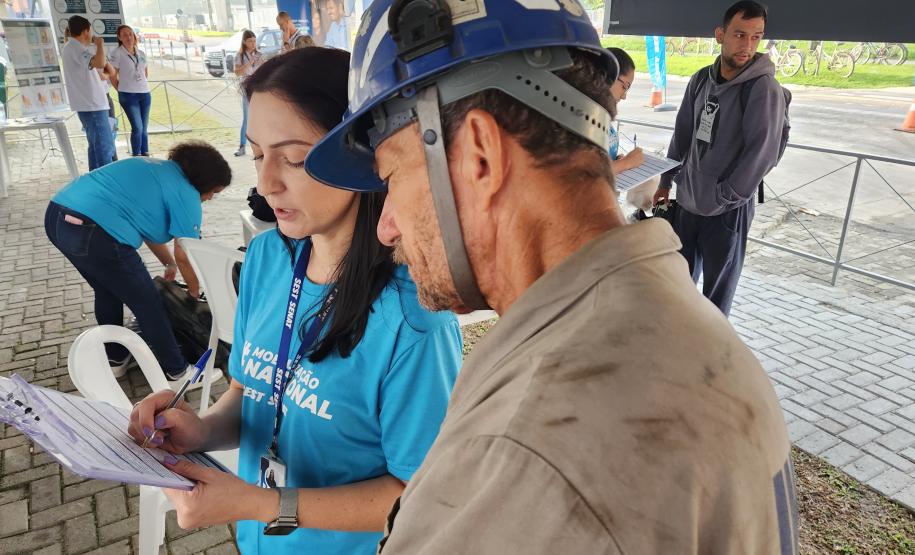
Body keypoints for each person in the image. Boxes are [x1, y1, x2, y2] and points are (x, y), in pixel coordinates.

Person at [305, 1, 797, 552]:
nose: (386, 227)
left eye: (392, 177)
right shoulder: (681, 324)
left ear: (479, 157)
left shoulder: (532, 444)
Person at [128, 47, 462, 554]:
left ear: (363, 154)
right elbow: (251, 393)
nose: (266, 184)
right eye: (259, 155)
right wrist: (199, 431)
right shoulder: (266, 257)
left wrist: (261, 505)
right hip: (256, 539)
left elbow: (417, 493)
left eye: (296, 158)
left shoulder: (414, 317)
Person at [45, 141, 231, 384]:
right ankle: (177, 372)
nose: (210, 198)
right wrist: (194, 291)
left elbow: (146, 229)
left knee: (106, 291)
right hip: (95, 232)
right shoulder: (186, 193)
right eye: (213, 193)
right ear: (203, 182)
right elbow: (187, 254)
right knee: (148, 303)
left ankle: (115, 359)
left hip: (58, 217)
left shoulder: (155, 168)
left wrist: (168, 264)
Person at [653, 0, 787, 316]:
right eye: (740, 35)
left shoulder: (762, 88)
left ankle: (709, 361)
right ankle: (678, 347)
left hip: (727, 214)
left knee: (716, 298)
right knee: (678, 287)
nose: (748, 45)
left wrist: (725, 197)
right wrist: (666, 181)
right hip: (687, 204)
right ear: (720, 34)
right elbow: (682, 133)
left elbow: (762, 153)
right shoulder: (701, 79)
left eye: (756, 37)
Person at [62, 15, 115, 170]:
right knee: (104, 147)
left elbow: (104, 70)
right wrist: (99, 45)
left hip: (90, 105)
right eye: (90, 30)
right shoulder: (75, 48)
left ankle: (96, 182)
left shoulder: (72, 48)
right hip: (92, 106)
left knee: (95, 147)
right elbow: (99, 62)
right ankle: (107, 184)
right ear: (86, 30)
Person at [109, 25, 152, 157]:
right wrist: (121, 89)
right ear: (119, 37)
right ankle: (136, 156)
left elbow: (145, 73)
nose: (128, 37)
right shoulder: (117, 53)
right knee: (137, 127)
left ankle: (145, 154)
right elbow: (112, 75)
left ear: (134, 36)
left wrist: (140, 85)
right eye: (125, 35)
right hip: (128, 95)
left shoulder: (141, 53)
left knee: (144, 128)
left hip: (145, 94)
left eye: (130, 34)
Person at [606, 47, 644, 176]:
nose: (624, 96)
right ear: (607, 76)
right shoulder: (581, 118)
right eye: (624, 87)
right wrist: (626, 163)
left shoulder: (600, 117)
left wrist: (616, 163)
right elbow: (583, 174)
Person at [233, 30, 263, 157]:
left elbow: (263, 69)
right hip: (246, 89)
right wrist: (249, 63)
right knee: (247, 118)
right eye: (250, 41)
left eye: (254, 41)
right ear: (245, 42)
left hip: (259, 88)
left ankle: (261, 146)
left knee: (261, 117)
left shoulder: (259, 54)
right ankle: (242, 146)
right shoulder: (239, 56)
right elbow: (237, 72)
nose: (253, 43)